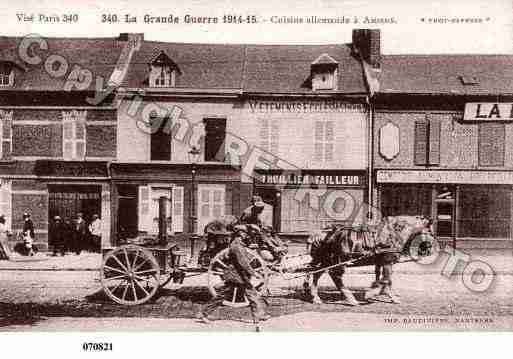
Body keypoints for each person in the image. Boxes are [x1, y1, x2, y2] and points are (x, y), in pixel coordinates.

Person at [197, 226, 269, 323]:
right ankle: (203, 313)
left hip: (239, 276)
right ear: (239, 233)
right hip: (236, 276)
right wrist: (253, 272)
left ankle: (259, 316)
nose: (245, 235)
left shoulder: (239, 244)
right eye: (244, 233)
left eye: (245, 233)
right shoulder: (236, 246)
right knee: (224, 296)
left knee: (251, 294)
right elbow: (243, 262)